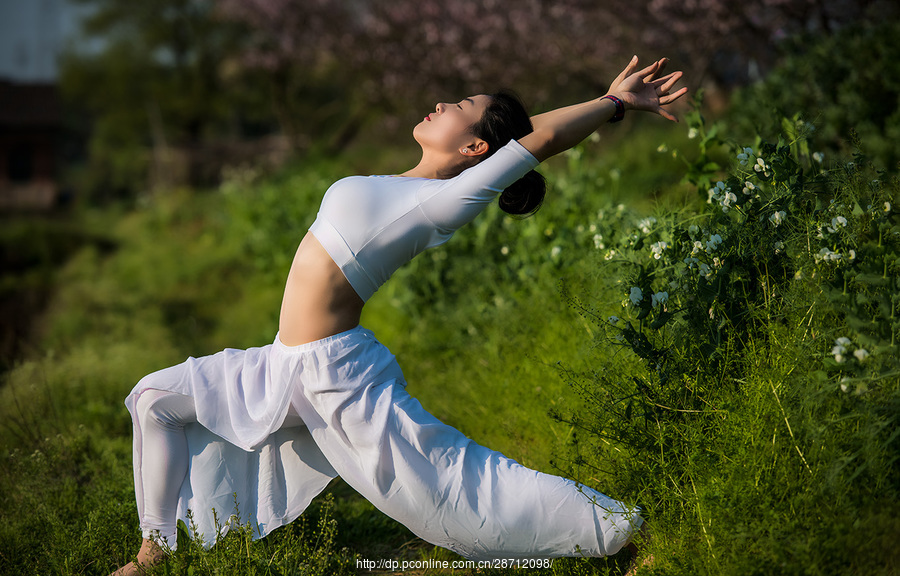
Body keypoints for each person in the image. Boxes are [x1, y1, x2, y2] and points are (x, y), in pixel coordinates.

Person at [111, 55, 686, 575]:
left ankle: (621, 531)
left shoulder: (442, 201)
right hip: (284, 364)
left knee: (451, 489)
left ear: (476, 150)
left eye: (460, 108)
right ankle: (154, 554)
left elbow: (539, 141)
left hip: (337, 379)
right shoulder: (399, 183)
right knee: (156, 400)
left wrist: (612, 104)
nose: (441, 104)